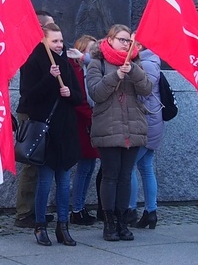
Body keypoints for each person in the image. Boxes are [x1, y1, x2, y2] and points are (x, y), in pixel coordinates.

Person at [87, 24, 152, 241]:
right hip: (108, 126)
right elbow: (96, 93)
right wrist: (116, 76)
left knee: (126, 175)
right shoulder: (97, 63)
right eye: (122, 40)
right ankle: (109, 222)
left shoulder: (135, 62)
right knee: (110, 175)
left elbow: (147, 89)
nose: (126, 44)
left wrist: (133, 71)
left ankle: (123, 220)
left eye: (128, 40)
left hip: (132, 126)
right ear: (110, 39)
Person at [19, 23, 82, 245]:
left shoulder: (65, 62)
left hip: (65, 131)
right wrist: (49, 78)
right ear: (43, 41)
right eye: (54, 41)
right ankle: (40, 226)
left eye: (60, 41)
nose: (58, 45)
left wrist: (69, 93)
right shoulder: (32, 62)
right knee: (44, 181)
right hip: (45, 132)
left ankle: (62, 226)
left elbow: (78, 97)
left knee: (64, 182)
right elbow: (28, 97)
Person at [14, 10, 56, 228]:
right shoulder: (31, 54)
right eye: (50, 27)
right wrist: (50, 77)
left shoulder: (48, 52)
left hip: (46, 113)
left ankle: (35, 209)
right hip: (31, 114)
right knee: (30, 162)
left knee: (41, 164)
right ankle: (23, 213)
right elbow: (28, 92)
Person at [126, 38, 165, 229]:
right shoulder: (148, 61)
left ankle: (131, 209)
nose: (127, 45)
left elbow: (143, 91)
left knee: (130, 166)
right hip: (149, 121)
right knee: (145, 166)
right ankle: (150, 212)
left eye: (130, 42)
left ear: (139, 46)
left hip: (146, 123)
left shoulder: (147, 64)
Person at [67, 35, 100, 225]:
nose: (92, 54)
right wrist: (93, 117)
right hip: (83, 124)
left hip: (91, 122)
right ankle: (77, 209)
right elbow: (79, 100)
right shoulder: (78, 70)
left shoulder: (91, 69)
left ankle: (80, 206)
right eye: (89, 50)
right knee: (84, 167)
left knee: (89, 168)